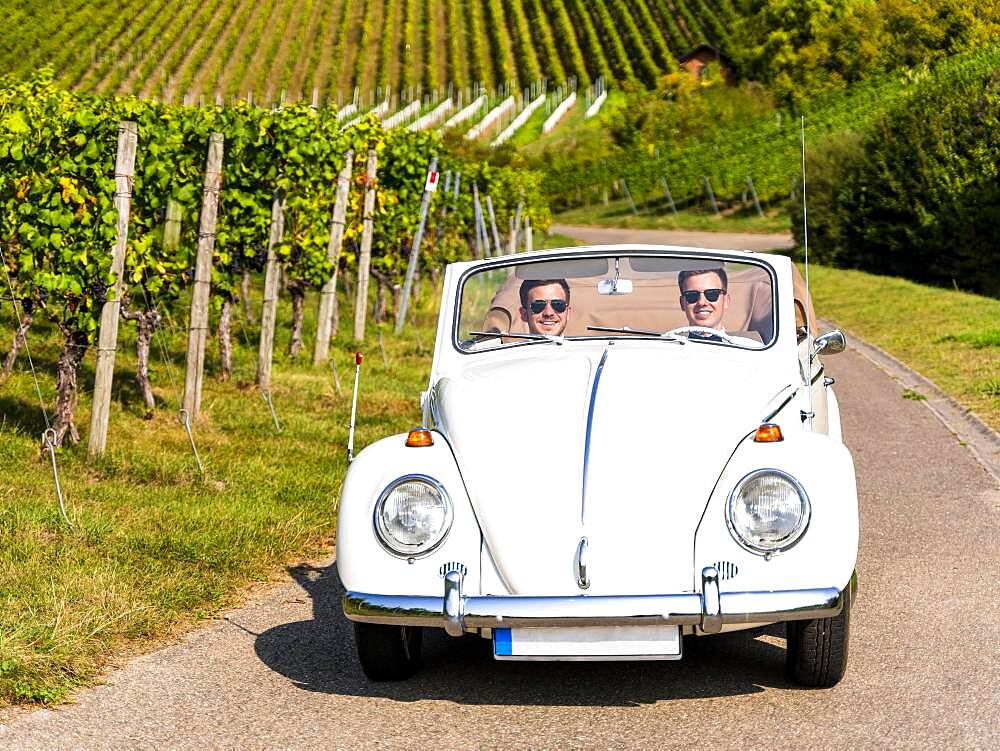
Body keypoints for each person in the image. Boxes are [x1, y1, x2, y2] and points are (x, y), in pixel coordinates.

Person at [677, 268, 760, 346]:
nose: (702, 302)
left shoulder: (752, 349)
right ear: (682, 303)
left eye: (712, 294)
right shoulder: (668, 350)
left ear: (726, 301)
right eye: (691, 295)